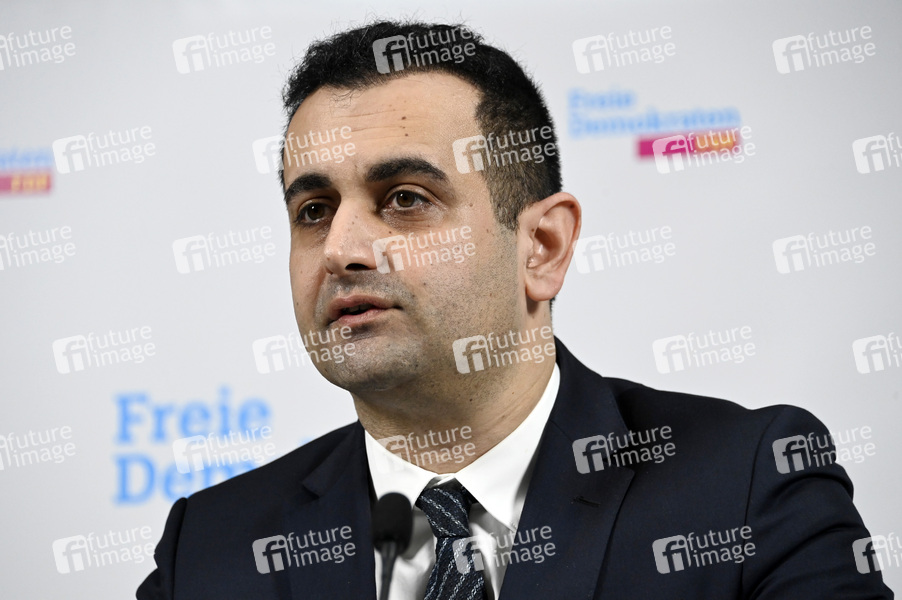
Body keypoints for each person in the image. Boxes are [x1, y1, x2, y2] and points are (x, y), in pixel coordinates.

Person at [137, 20, 894, 599]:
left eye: (405, 199)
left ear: (542, 247)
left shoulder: (750, 486)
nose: (340, 249)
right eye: (313, 209)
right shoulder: (210, 548)